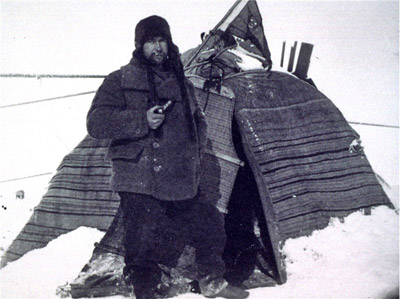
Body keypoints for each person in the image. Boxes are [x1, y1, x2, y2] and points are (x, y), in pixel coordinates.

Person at [87, 15, 249, 299]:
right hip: (138, 176)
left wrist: (193, 157)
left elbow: (198, 121)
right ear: (139, 46)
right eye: (150, 41)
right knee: (141, 240)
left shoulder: (181, 83)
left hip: (178, 177)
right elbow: (96, 122)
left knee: (209, 225)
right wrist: (141, 120)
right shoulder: (120, 80)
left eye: (161, 40)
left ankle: (212, 282)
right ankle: (145, 292)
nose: (157, 47)